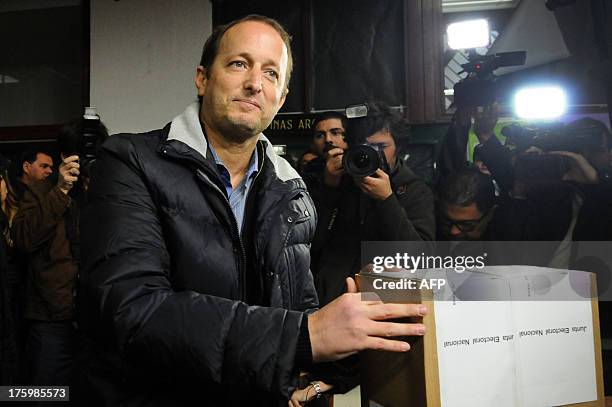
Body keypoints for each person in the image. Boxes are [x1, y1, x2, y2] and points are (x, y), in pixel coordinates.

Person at [77, 15, 427, 407]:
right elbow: (132, 309)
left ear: (280, 96)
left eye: (271, 73)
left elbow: (298, 311)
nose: (254, 83)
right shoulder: (130, 162)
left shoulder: (292, 190)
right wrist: (304, 335)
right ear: (202, 77)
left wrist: (348, 347)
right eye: (239, 63)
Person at [308, 102, 436, 306]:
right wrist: (329, 188)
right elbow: (311, 243)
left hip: (384, 304)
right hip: (332, 299)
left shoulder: (415, 190)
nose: (373, 154)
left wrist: (387, 200)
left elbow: (420, 258)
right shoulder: (342, 181)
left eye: (381, 147)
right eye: (365, 147)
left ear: (398, 148)